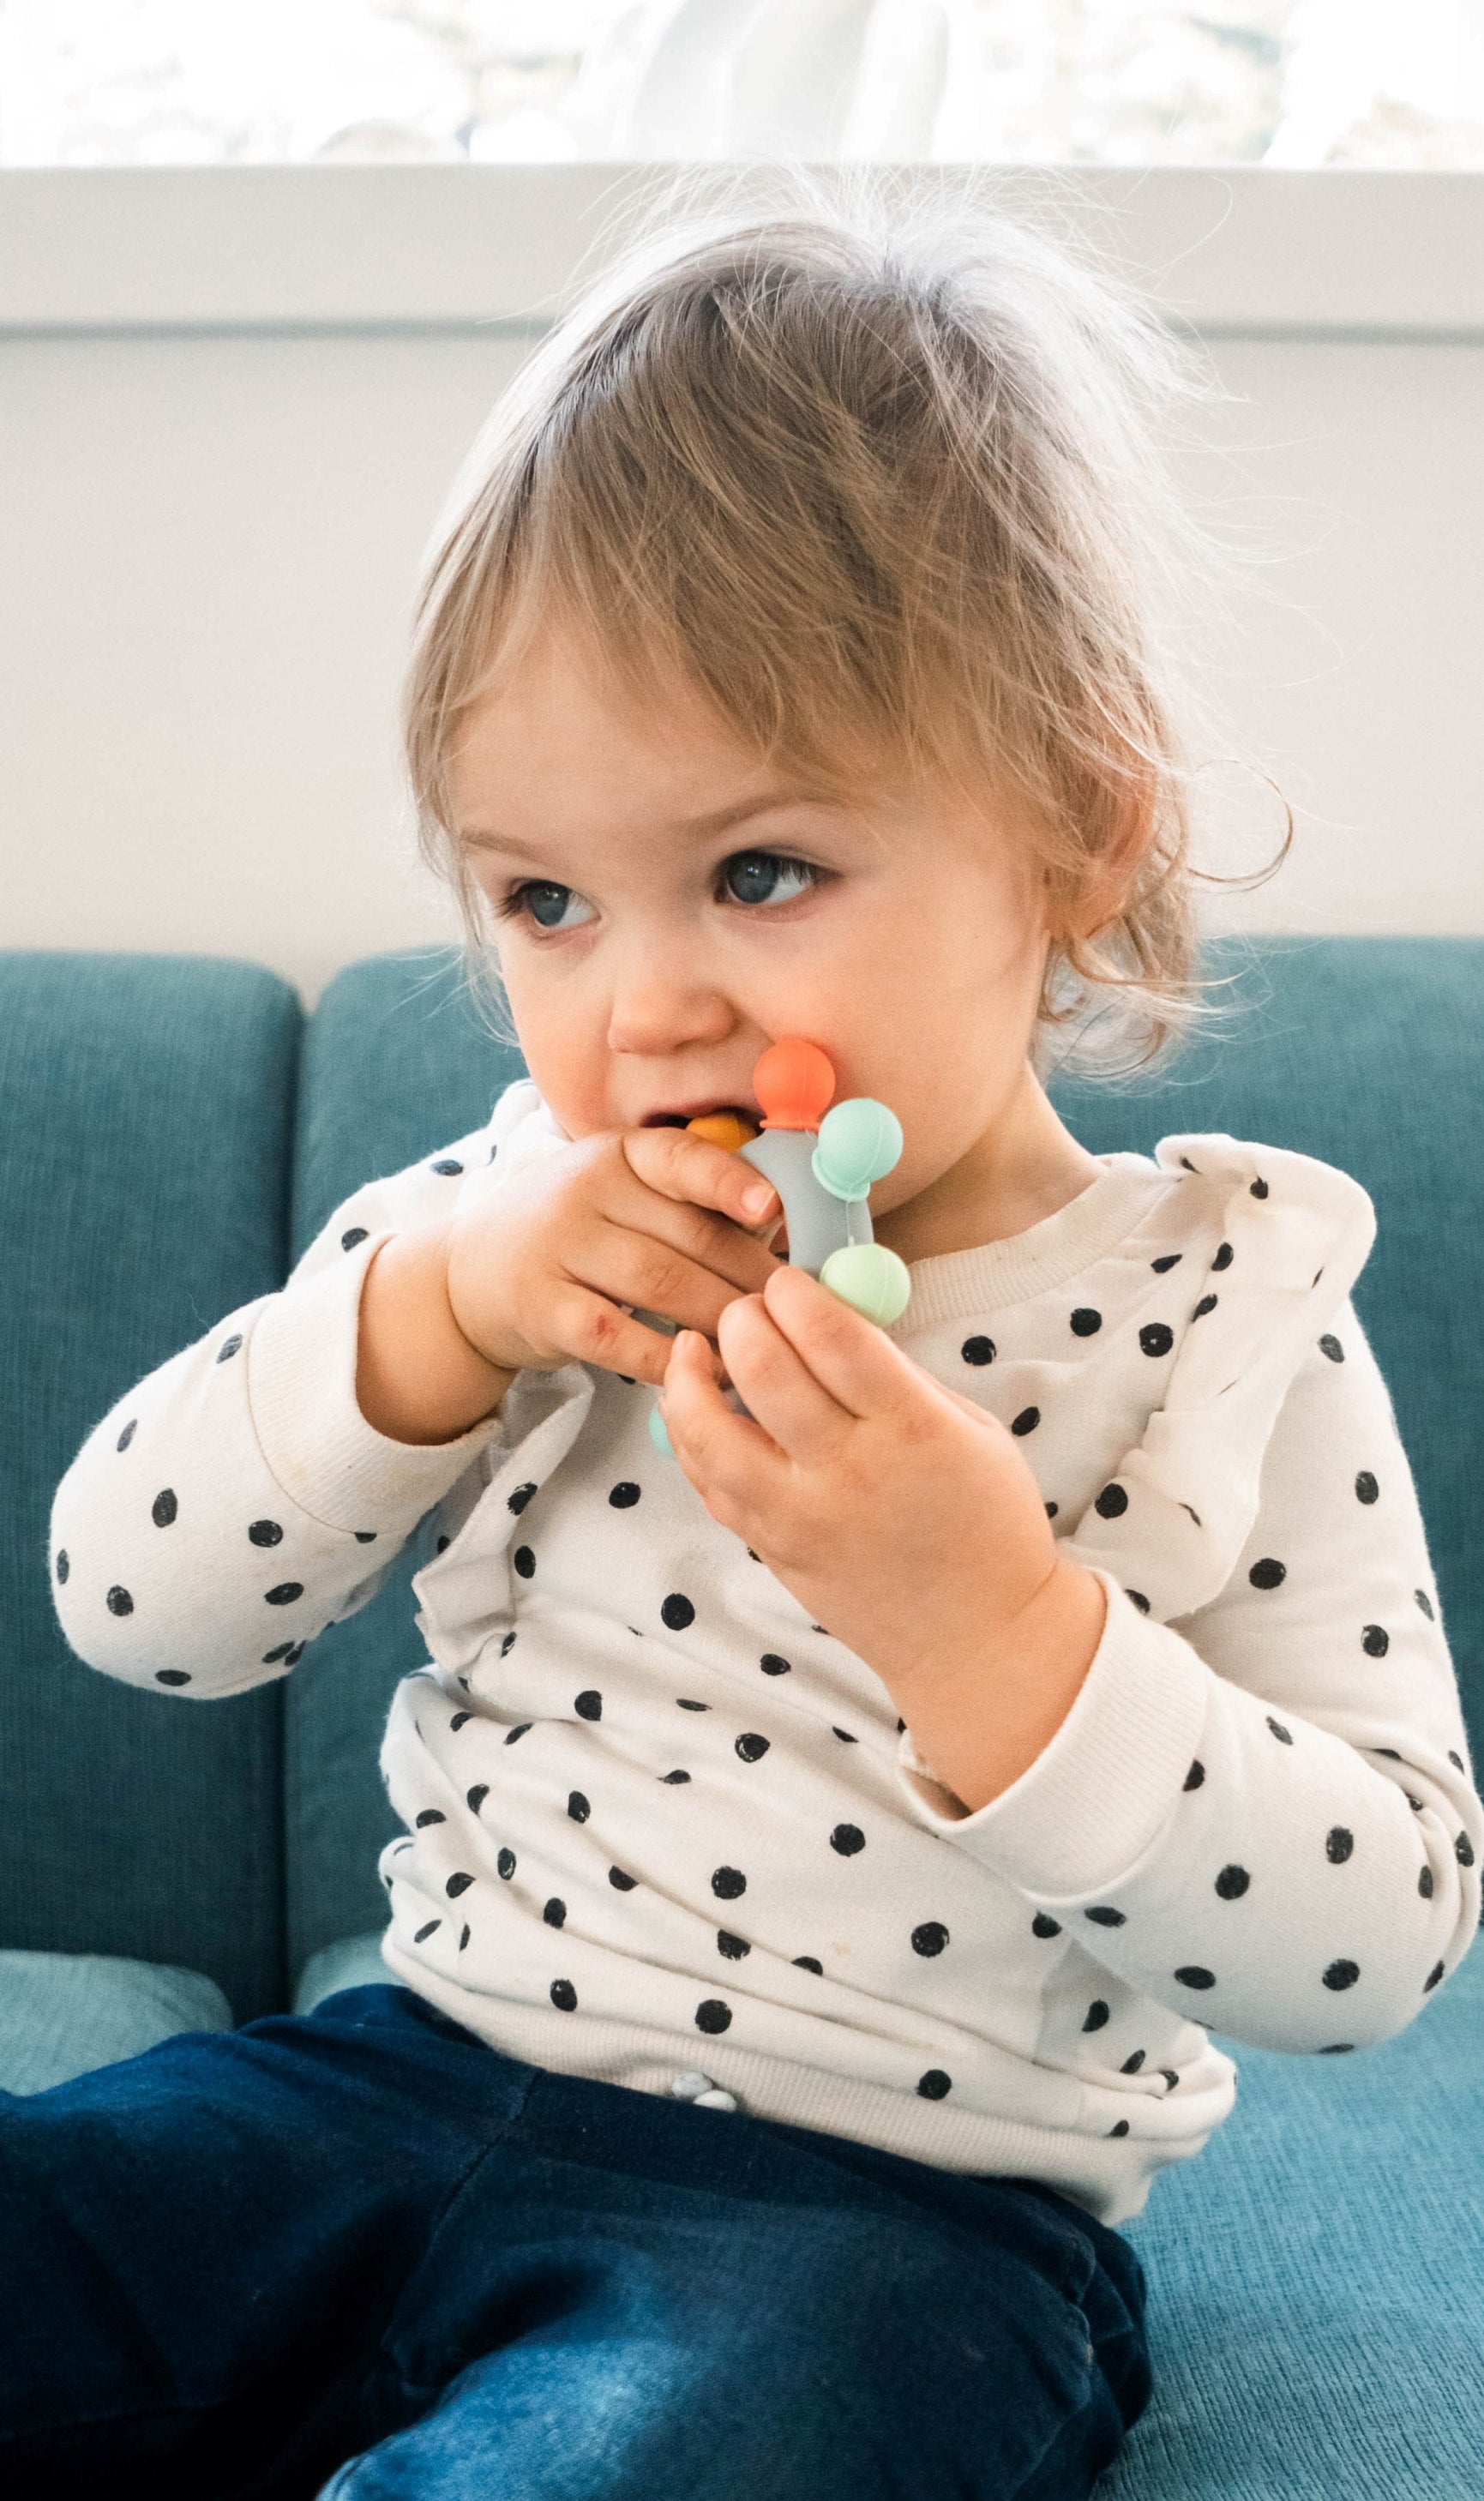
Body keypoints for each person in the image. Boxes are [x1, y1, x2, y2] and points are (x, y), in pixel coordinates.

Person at [10, 166, 1481, 2501]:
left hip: (876, 2234)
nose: (646, 1008)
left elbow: (1372, 1945)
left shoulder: (1217, 1317)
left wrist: (991, 1622)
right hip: (394, 2085)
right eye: (544, 900)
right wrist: (433, 1319)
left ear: (1078, 832)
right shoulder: (505, 1225)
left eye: (760, 872)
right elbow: (131, 1608)